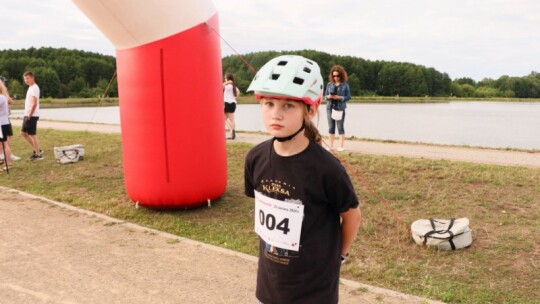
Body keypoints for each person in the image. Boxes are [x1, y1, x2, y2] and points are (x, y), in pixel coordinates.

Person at [245, 55, 362, 304]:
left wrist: (339, 255)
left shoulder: (327, 169)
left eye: (288, 105)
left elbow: (352, 214)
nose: (276, 114)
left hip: (314, 289)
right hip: (270, 283)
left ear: (309, 109)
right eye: (268, 104)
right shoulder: (255, 158)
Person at [324, 65, 351, 152]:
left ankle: (341, 146)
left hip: (340, 108)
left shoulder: (345, 85)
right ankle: (330, 146)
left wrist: (339, 97)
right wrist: (329, 96)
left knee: (340, 127)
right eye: (334, 75)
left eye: (337, 75)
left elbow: (348, 97)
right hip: (329, 107)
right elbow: (325, 96)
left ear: (341, 75)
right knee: (331, 127)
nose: (336, 77)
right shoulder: (329, 84)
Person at [21, 71, 43, 161]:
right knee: (23, 133)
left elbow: (34, 104)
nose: (26, 80)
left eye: (28, 78)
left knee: (32, 134)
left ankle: (38, 155)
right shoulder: (30, 87)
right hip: (27, 115)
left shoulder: (34, 88)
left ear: (32, 78)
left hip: (32, 115)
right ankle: (37, 150)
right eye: (25, 79)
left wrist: (29, 115)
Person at [0, 79, 13, 171]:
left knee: (5, 144)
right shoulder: (3, 97)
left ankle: (9, 164)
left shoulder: (1, 98)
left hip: (2, 123)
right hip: (4, 122)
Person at [223, 73, 239, 139]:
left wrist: (227, 82)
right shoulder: (234, 86)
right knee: (231, 120)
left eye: (225, 78)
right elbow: (238, 92)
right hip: (233, 104)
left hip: (227, 104)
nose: (225, 79)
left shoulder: (228, 86)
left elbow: (220, 86)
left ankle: (231, 131)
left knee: (223, 119)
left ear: (228, 79)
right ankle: (232, 132)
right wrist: (234, 98)